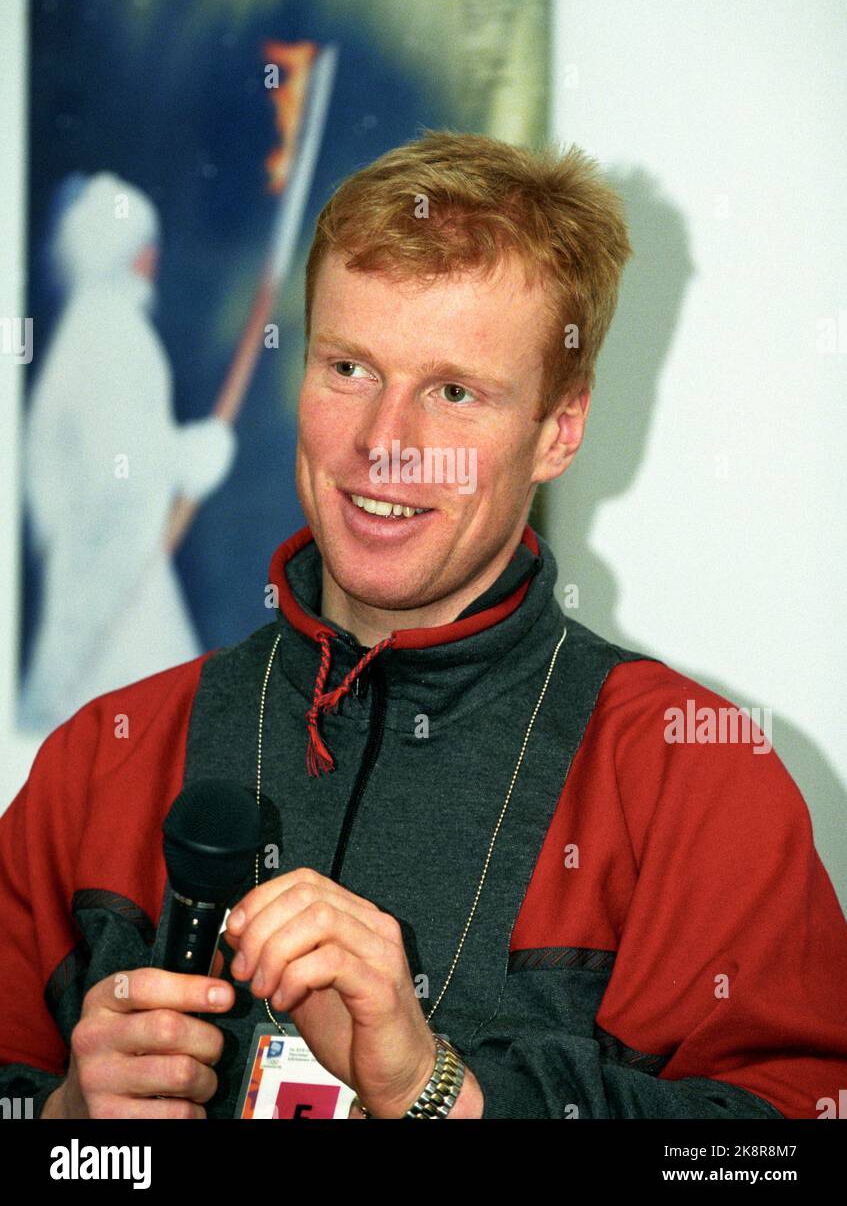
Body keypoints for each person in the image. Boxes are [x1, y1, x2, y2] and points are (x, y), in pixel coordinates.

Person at [1, 131, 845, 1120]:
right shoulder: (104, 759)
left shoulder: (687, 776)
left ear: (558, 432)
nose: (384, 446)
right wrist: (62, 1123)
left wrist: (443, 1094)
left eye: (453, 391)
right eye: (350, 368)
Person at [19, 172, 236, 734]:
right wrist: (193, 459)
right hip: (112, 573)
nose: (152, 256)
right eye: (145, 243)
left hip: (119, 565)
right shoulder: (110, 332)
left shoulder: (92, 327)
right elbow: (121, 469)